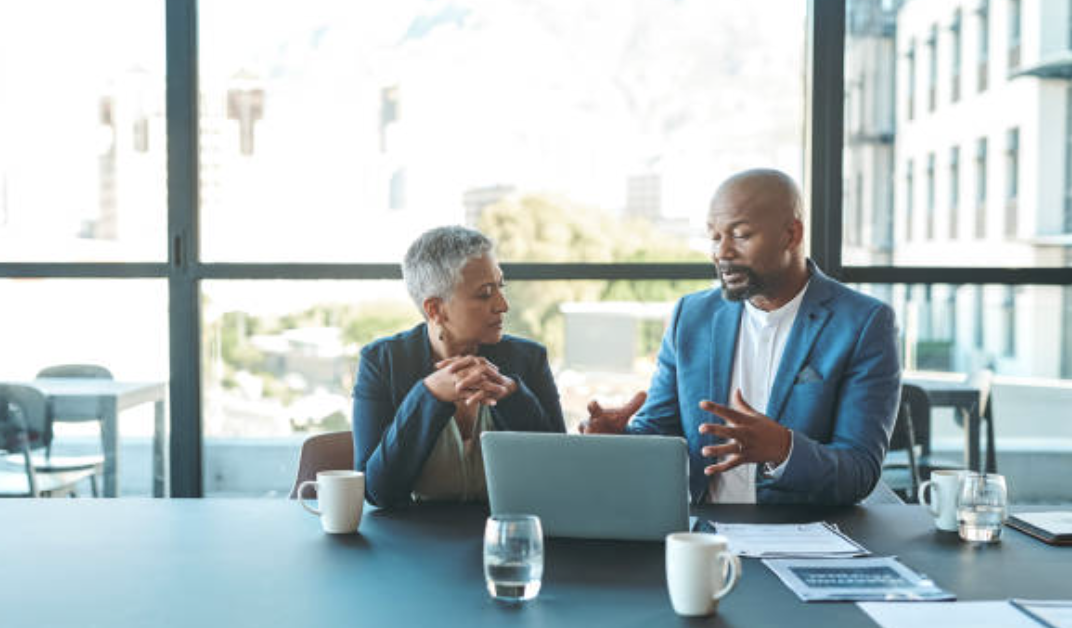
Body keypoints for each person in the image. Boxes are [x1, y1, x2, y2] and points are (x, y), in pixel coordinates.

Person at [581, 169, 900, 505]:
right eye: (715, 236)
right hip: (701, 530)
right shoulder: (690, 317)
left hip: (801, 534)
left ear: (791, 234)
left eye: (741, 235)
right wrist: (618, 442)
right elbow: (660, 434)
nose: (722, 252)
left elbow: (860, 471)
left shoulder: (864, 323)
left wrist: (784, 450)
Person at [353, 226, 565, 507]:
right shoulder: (381, 363)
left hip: (508, 533)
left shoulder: (529, 360)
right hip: (415, 541)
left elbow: (558, 473)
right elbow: (377, 492)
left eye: (500, 287)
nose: (503, 305)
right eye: (485, 293)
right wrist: (428, 396)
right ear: (435, 310)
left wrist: (514, 397)